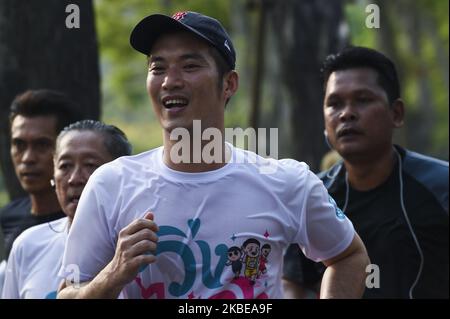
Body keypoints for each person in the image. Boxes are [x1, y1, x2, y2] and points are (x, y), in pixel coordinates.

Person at [57, 11, 369, 299]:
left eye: (190, 66)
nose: (170, 81)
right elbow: (67, 292)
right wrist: (112, 275)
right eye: (158, 67)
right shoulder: (111, 185)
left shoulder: (287, 182)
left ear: (229, 84)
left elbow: (349, 256)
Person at [283, 46, 449, 299]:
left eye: (363, 100)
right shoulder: (310, 195)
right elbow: (291, 284)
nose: (346, 113)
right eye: (334, 103)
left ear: (396, 113)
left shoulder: (441, 188)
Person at [2, 120, 132, 298]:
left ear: (122, 174)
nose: (74, 179)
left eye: (90, 165)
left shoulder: (139, 247)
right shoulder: (28, 245)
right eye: (65, 166)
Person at [0, 89, 83, 259]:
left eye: (42, 145)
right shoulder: (7, 218)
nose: (28, 158)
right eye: (19, 144)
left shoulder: (83, 220)